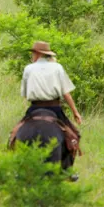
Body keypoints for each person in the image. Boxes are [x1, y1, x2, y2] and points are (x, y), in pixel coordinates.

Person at [21, 41, 82, 171]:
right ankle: (67, 170)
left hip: (34, 108)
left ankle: (17, 168)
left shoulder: (28, 68)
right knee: (74, 135)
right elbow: (66, 93)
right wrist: (75, 112)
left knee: (14, 133)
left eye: (33, 53)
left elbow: (25, 94)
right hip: (55, 108)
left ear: (37, 54)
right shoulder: (57, 67)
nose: (32, 55)